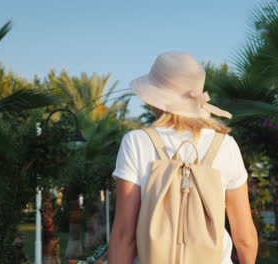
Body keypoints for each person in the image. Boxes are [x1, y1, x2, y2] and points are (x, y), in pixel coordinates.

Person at [108, 51, 258, 264]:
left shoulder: (137, 142)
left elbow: (125, 234)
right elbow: (245, 238)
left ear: (157, 98)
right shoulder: (225, 145)